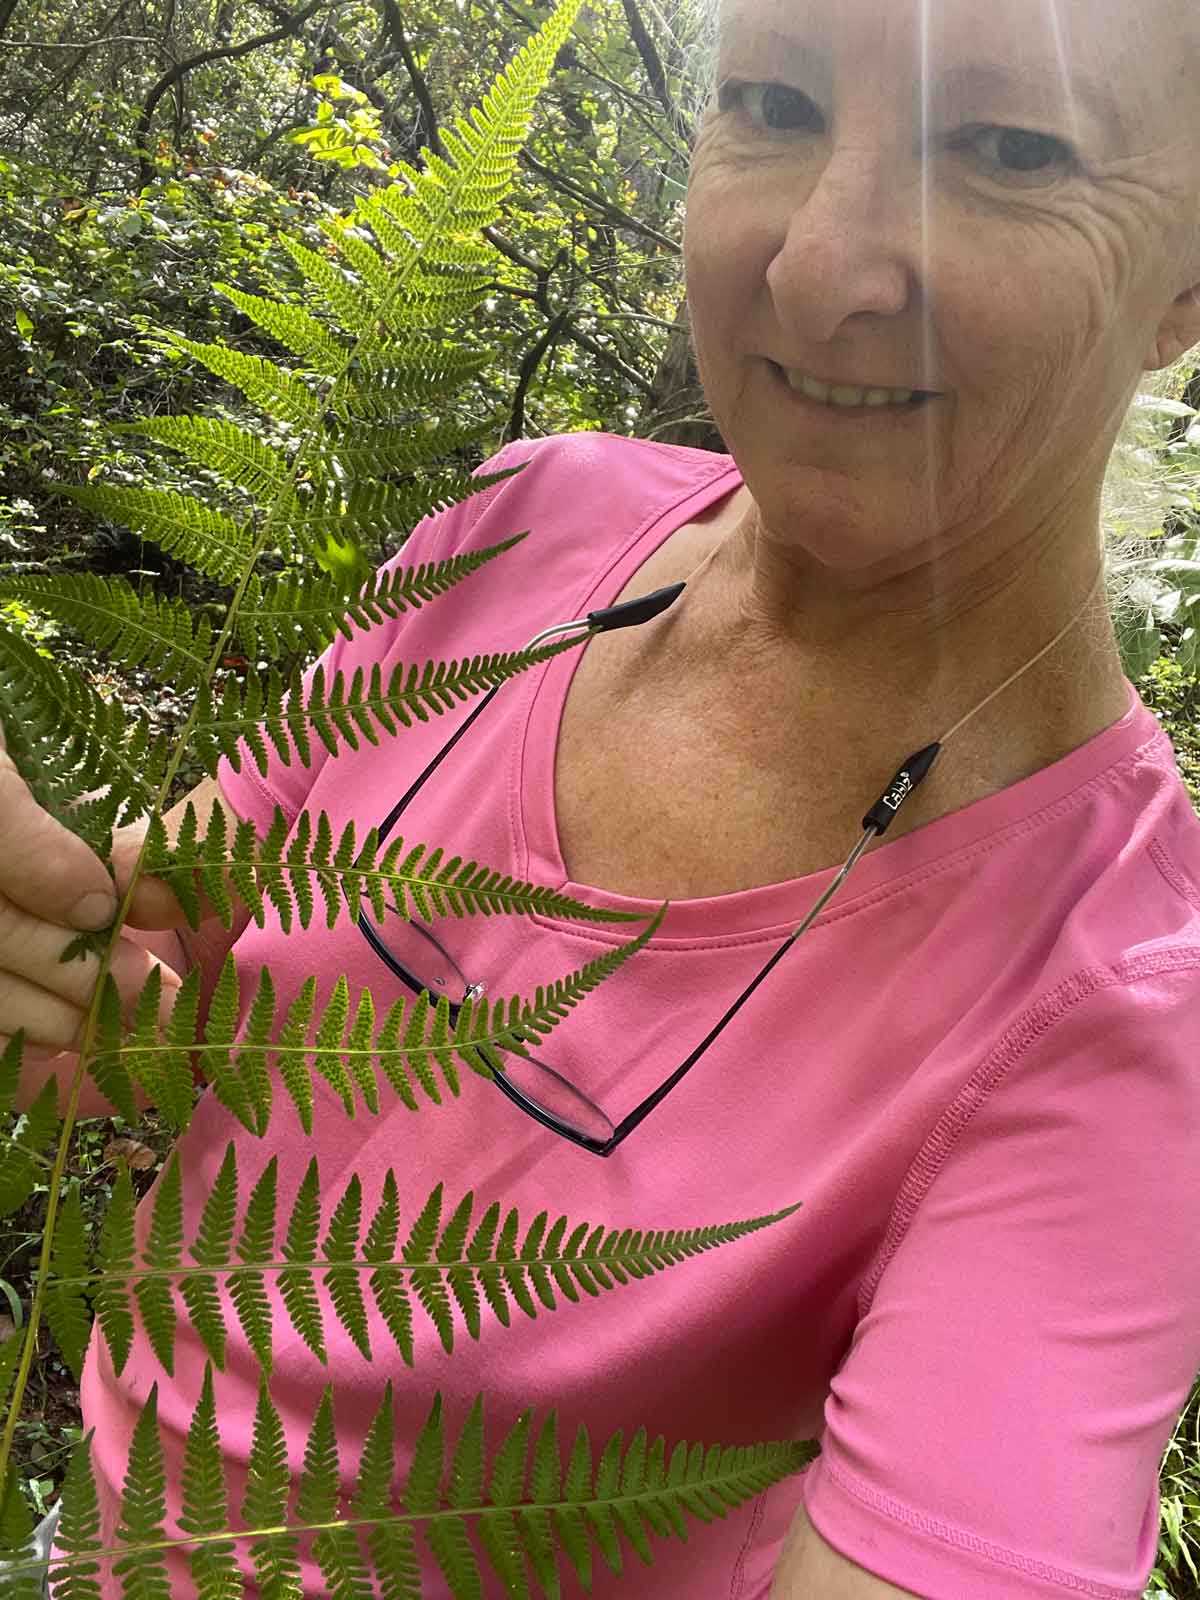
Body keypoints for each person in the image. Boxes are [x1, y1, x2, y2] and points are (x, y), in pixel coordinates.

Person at [4, 0, 1200, 1592]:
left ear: (1185, 282)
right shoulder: (531, 520)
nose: (821, 269)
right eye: (770, 100)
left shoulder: (1128, 1010)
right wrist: (52, 943)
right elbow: (150, 1000)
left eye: (1009, 148)